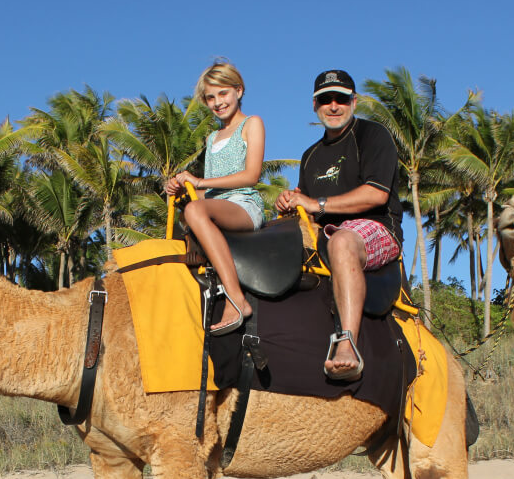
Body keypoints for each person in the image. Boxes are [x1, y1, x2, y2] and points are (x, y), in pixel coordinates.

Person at [275, 70, 405, 380]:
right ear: (315, 105)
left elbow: (376, 193)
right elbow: (307, 210)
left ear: (354, 102)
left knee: (342, 241)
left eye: (341, 99)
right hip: (324, 234)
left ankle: (347, 342)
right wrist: (290, 203)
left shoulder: (373, 135)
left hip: (374, 228)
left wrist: (315, 204)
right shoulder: (310, 157)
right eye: (325, 100)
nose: (333, 106)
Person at [165, 61, 266, 335]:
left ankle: (236, 300)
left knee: (195, 212)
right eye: (211, 97)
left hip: (244, 204)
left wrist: (199, 181)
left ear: (239, 91)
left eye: (223, 93)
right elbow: (208, 194)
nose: (218, 102)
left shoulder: (251, 124)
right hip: (218, 205)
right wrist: (183, 188)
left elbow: (250, 176)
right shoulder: (211, 138)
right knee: (191, 211)